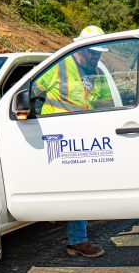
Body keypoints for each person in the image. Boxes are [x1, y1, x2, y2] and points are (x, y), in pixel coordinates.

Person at [32, 25, 114, 258]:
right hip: (55, 138)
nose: (95, 56)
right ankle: (77, 239)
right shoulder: (58, 67)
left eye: (99, 53)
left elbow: (107, 107)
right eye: (92, 52)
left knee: (81, 186)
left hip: (82, 138)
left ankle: (76, 238)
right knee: (76, 186)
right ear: (79, 47)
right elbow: (30, 92)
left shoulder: (97, 73)